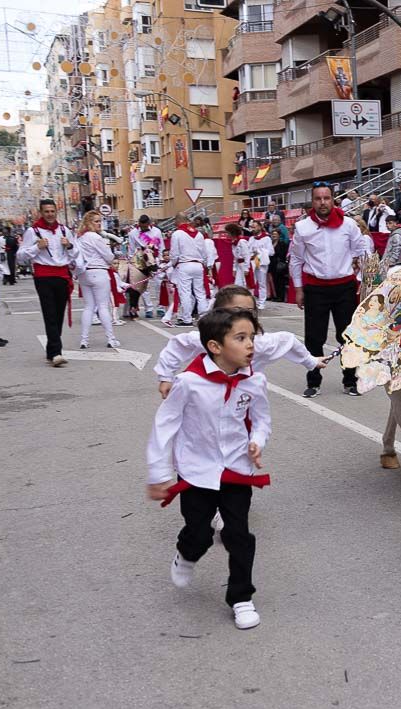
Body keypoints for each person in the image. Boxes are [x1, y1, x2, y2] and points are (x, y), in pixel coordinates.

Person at [146, 307, 271, 631]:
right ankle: (187, 553)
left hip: (235, 469)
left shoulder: (255, 381)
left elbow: (261, 419)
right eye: (240, 338)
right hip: (196, 469)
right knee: (199, 532)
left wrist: (257, 440)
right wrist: (158, 474)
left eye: (252, 338)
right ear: (215, 346)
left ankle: (241, 597)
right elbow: (165, 425)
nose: (250, 345)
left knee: (239, 534)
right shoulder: (188, 383)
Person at [155, 285, 324, 399]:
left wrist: (312, 361)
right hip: (203, 401)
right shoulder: (204, 339)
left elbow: (288, 341)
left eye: (250, 311)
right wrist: (166, 377)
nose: (244, 316)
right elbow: (176, 346)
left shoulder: (261, 343)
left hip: (240, 402)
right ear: (218, 313)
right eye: (237, 311)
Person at [289, 183, 364, 397]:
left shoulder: (348, 225)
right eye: (318, 199)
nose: (323, 202)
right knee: (314, 338)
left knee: (348, 337)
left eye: (327, 198)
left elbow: (361, 250)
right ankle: (314, 381)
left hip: (345, 288)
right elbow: (296, 259)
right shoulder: (303, 228)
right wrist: (299, 289)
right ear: (312, 202)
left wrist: (359, 272)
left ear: (333, 199)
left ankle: (350, 380)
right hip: (316, 288)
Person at [18, 199, 76, 366]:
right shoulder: (33, 231)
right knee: (49, 313)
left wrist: (70, 245)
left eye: (52, 211)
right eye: (46, 211)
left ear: (56, 212)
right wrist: (37, 247)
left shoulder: (64, 230)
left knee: (58, 315)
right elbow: (21, 257)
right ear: (41, 213)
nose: (50, 214)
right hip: (43, 276)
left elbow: (76, 254)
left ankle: (51, 351)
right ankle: (57, 352)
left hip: (62, 276)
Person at [74, 211, 122, 349]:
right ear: (89, 222)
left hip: (84, 273)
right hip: (99, 272)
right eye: (96, 221)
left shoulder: (80, 238)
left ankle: (84, 339)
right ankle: (111, 338)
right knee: (102, 306)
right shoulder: (95, 237)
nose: (99, 223)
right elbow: (108, 256)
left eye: (100, 221)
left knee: (88, 307)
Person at [168, 213, 211, 327]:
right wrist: (204, 265)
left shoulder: (177, 234)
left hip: (184, 265)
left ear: (178, 220)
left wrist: (173, 264)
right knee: (200, 292)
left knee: (185, 292)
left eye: (175, 220)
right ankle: (203, 316)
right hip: (198, 265)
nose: (174, 223)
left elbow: (174, 253)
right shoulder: (199, 234)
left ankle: (187, 319)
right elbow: (204, 252)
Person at [129, 216, 165, 317]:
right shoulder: (133, 233)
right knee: (143, 286)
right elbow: (131, 250)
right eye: (142, 226)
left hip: (155, 260)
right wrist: (132, 262)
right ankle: (148, 308)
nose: (144, 228)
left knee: (158, 284)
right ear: (139, 224)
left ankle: (160, 307)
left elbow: (161, 246)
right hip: (140, 261)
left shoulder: (157, 231)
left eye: (146, 226)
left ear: (149, 223)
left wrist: (162, 260)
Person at [248, 220, 274, 309]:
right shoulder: (251, 238)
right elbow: (248, 249)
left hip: (261, 261)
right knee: (251, 281)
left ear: (259, 227)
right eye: (252, 227)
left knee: (262, 282)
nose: (253, 229)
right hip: (253, 260)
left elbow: (271, 252)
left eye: (254, 227)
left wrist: (259, 251)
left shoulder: (266, 238)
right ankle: (251, 301)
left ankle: (262, 301)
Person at [224, 223, 253, 290]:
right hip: (239, 265)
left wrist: (246, 268)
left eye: (227, 233)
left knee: (246, 283)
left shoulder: (242, 242)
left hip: (244, 264)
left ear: (232, 233)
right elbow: (235, 257)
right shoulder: (233, 242)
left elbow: (247, 255)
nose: (227, 234)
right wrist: (234, 269)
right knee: (238, 284)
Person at [269, 214, 290, 302]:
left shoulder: (282, 244)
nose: (274, 236)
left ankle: (281, 297)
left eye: (275, 234)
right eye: (273, 234)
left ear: (278, 235)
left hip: (279, 264)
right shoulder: (270, 243)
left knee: (280, 282)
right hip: (272, 264)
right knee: (274, 281)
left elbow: (282, 254)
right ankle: (275, 296)